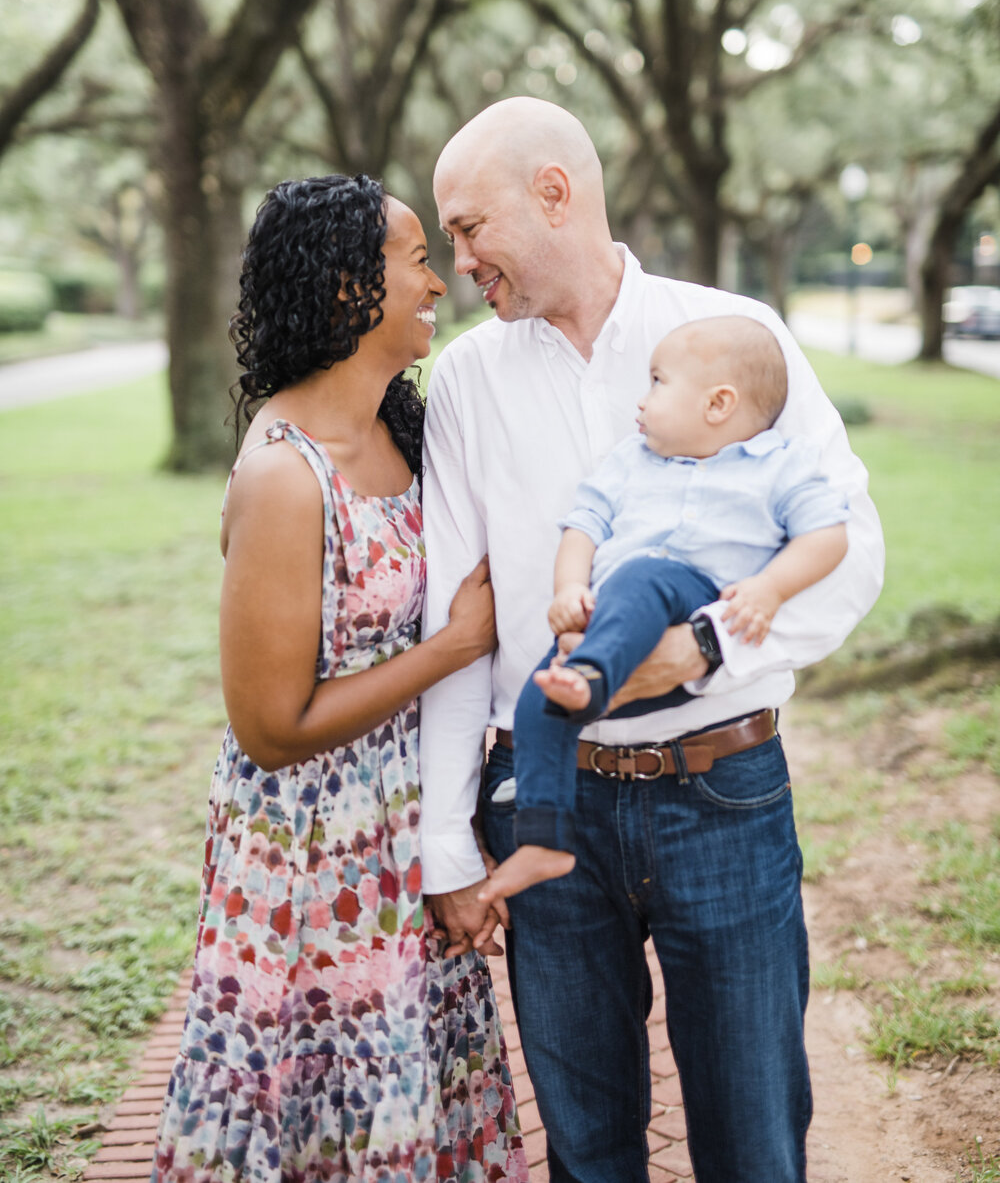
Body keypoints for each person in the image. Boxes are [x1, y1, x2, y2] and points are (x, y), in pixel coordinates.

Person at [417, 98, 885, 1183]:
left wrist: (705, 651)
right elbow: (457, 622)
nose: (458, 261)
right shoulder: (468, 382)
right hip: (543, 800)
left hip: (720, 795)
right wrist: (447, 836)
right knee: (585, 1153)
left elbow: (847, 548)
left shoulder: (734, 334)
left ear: (552, 193)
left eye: (469, 225)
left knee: (751, 1140)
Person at [151, 174, 527, 1183]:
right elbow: (271, 727)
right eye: (415, 260)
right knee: (325, 1108)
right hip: (313, 866)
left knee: (412, 1095)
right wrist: (447, 650)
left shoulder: (404, 430)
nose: (438, 282)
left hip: (403, 837)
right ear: (348, 289)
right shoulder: (283, 474)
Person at [482, 315, 849, 904]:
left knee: (645, 575)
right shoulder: (631, 461)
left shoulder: (781, 464)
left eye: (657, 381)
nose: (642, 398)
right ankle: (543, 837)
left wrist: (769, 589)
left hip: (690, 602)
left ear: (718, 404)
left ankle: (592, 681)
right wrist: (569, 589)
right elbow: (582, 528)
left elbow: (829, 536)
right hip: (611, 623)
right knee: (537, 697)